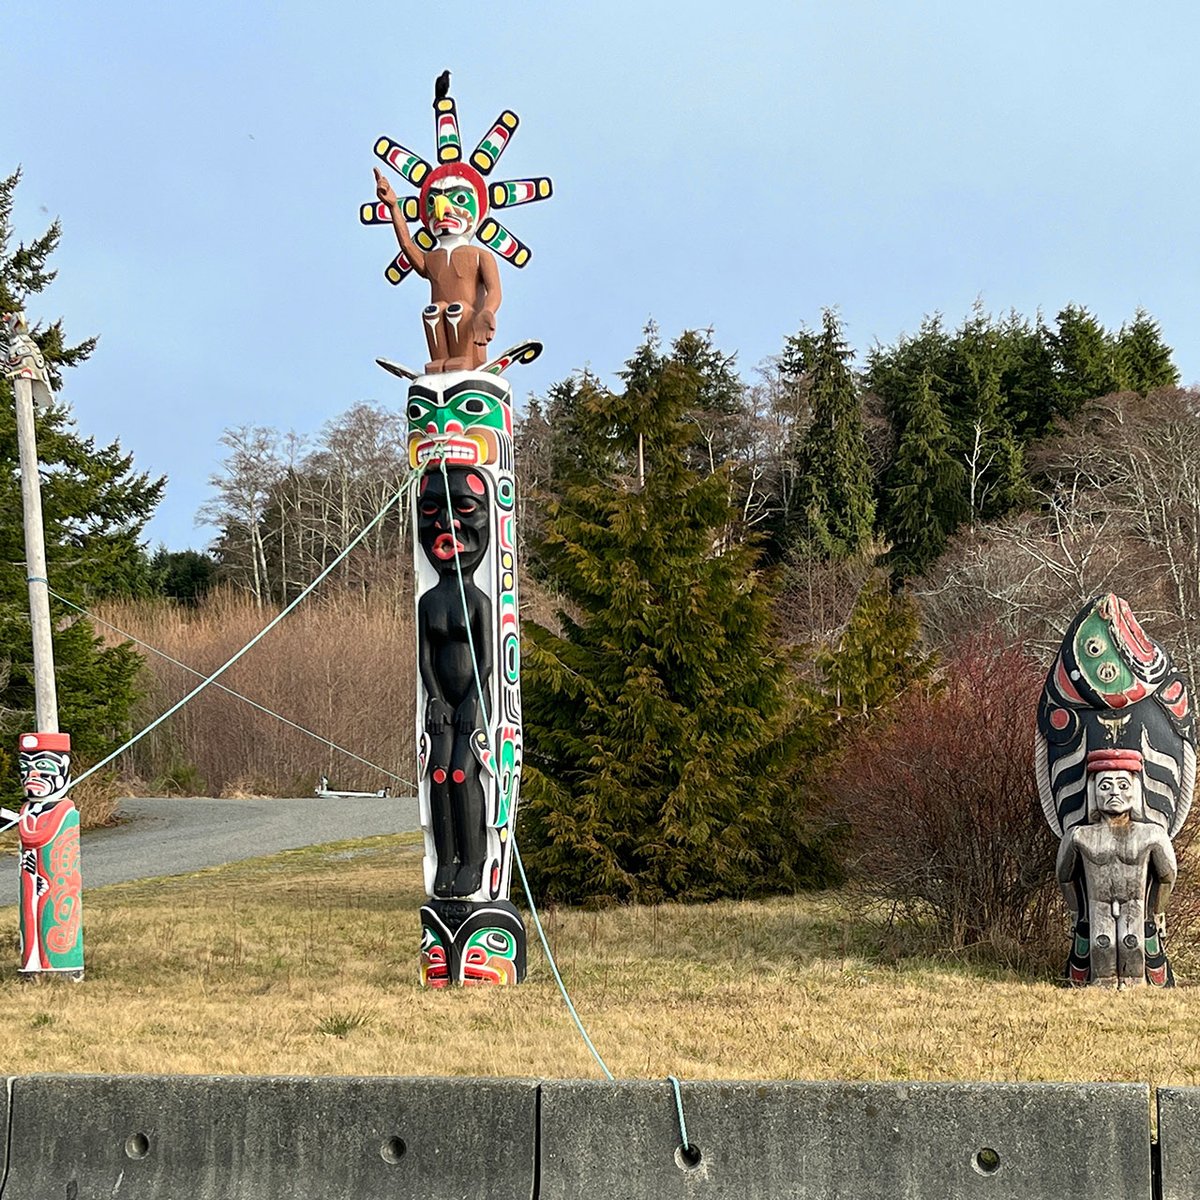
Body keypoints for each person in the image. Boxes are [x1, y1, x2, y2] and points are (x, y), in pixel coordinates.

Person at [374, 165, 501, 373]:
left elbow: (494, 290)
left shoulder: (480, 255)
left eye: (459, 200)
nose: (443, 210)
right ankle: (440, 359)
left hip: (471, 333)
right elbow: (407, 245)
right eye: (433, 202)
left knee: (458, 309)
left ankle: (463, 358)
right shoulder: (433, 258)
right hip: (442, 339)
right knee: (433, 311)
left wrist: (487, 311)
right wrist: (394, 207)